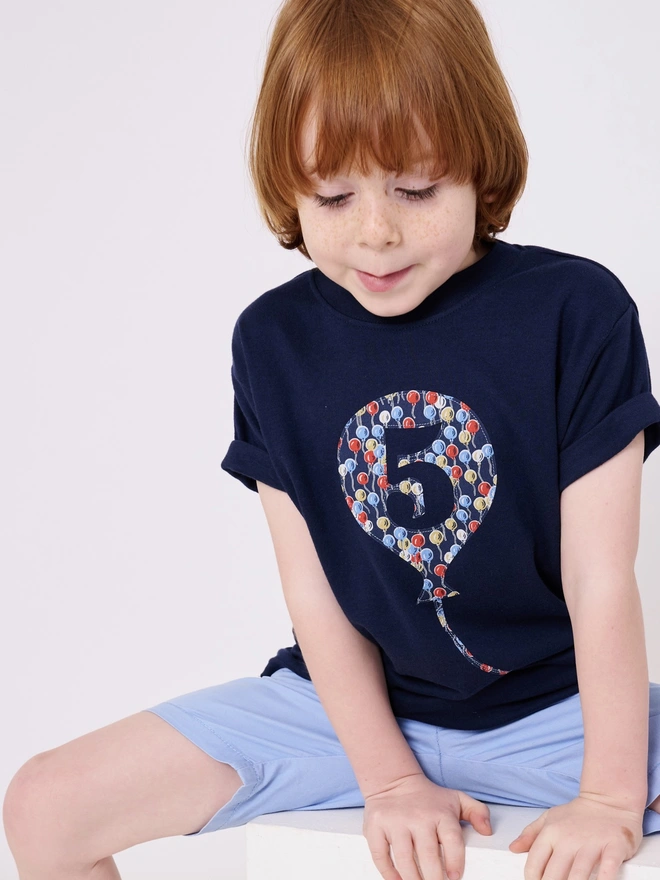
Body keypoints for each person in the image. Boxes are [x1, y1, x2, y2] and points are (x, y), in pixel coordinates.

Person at [4, 1, 660, 879]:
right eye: (334, 195)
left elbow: (599, 579)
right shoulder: (270, 344)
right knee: (45, 806)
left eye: (417, 189)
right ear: (288, 188)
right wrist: (389, 781)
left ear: (481, 165)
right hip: (341, 713)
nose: (375, 231)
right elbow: (314, 598)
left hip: (560, 714)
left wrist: (610, 801)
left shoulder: (578, 312)